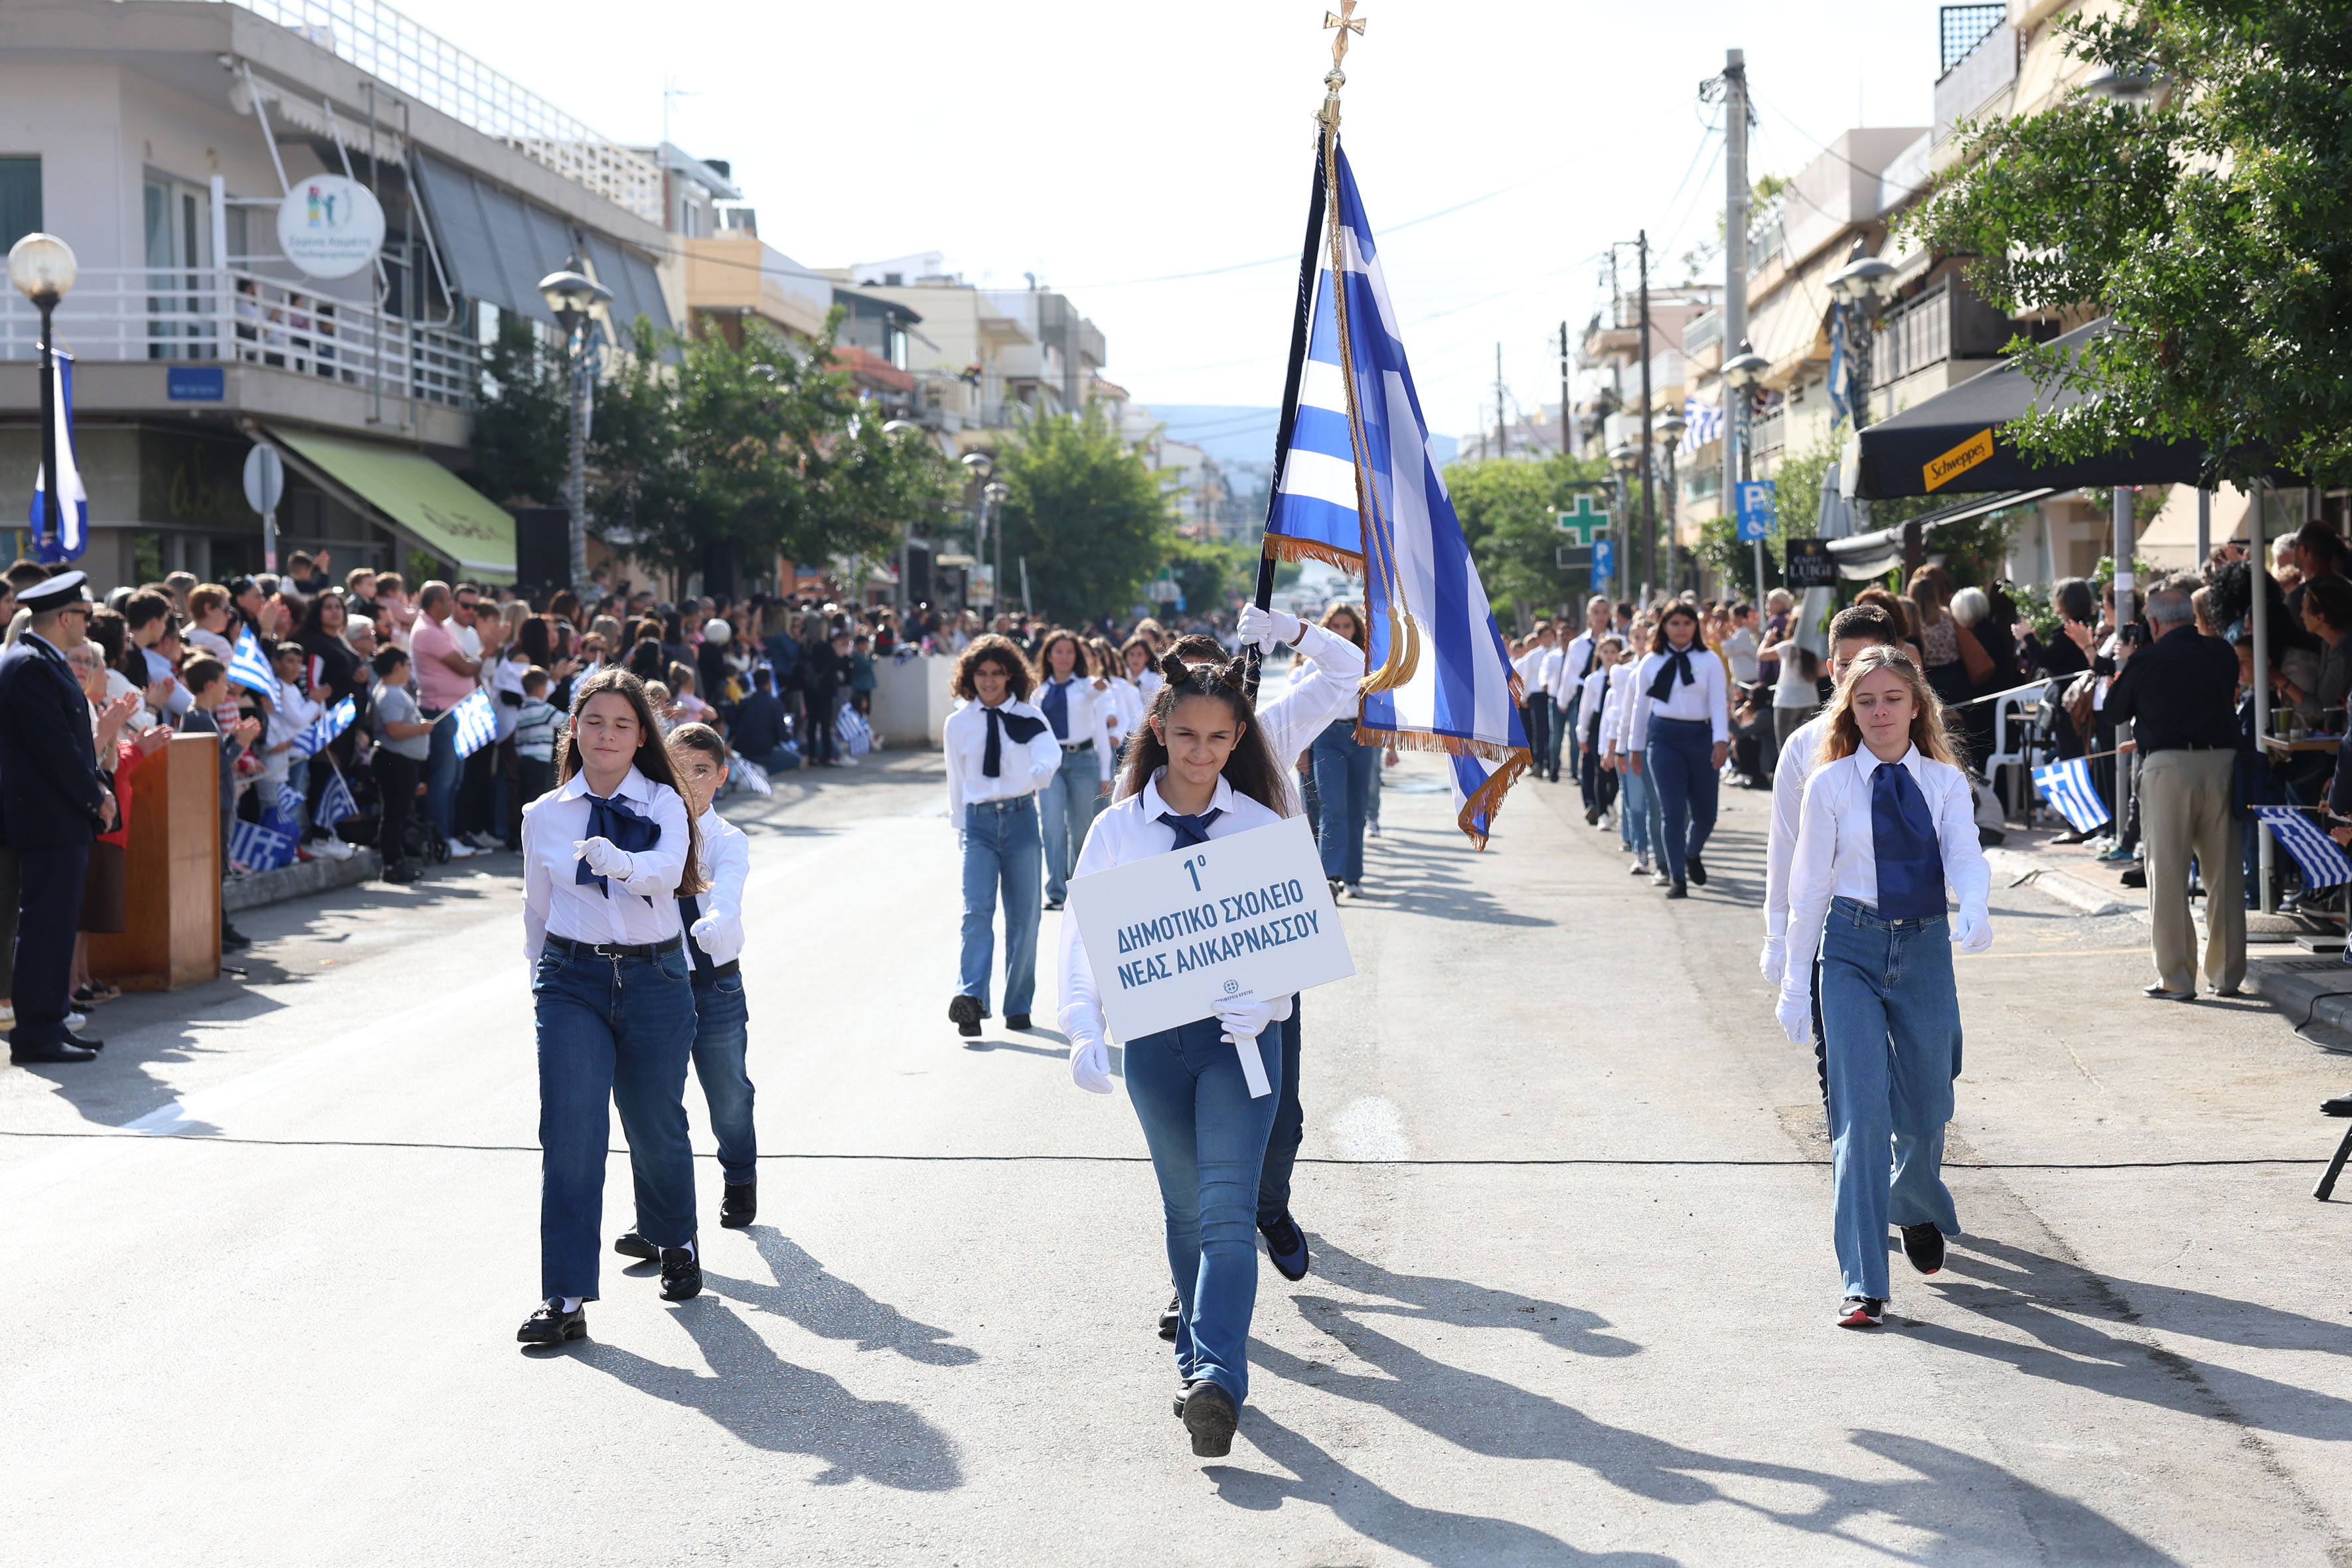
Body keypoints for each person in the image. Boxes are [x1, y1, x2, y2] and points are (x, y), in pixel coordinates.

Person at [1058, 650, 1300, 1458]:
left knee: (1229, 1211)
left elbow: (1291, 953)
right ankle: (1198, 1363)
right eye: (1186, 734)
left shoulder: (1264, 828)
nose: (1200, 753)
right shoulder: (1117, 829)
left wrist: (1266, 999)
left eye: (1217, 739)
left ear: (1238, 740)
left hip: (1241, 1044)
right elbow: (1082, 931)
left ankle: (1218, 1380)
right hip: (1155, 1046)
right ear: (1159, 729)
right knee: (1186, 1208)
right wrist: (1082, 1023)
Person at [1776, 645, 1992, 1327]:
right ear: (1850, 708)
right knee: (1860, 1116)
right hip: (1850, 950)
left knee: (1929, 1108)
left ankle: (1913, 1196)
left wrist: (1977, 902)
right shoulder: (1831, 785)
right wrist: (1792, 978)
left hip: (1925, 946)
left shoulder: (1943, 782)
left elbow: (1963, 850)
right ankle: (1864, 1281)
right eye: (1865, 700)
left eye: (1891, 698)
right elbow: (1808, 885)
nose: (1879, 712)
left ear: (1915, 704)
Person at [516, 668, 706, 1347]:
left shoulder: (662, 803)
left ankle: (674, 1237)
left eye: (622, 724)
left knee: (655, 1122)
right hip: (572, 980)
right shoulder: (544, 815)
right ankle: (563, 1295)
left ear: (640, 736)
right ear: (574, 728)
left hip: (655, 980)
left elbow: (662, 875)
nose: (606, 734)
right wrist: (538, 984)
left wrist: (617, 861)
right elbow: (536, 909)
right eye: (593, 720)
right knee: (570, 1132)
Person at [613, 722, 759, 1249]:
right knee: (654, 1108)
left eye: (700, 771)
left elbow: (728, 892)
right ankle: (659, 1224)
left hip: (714, 982)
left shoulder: (727, 839)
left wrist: (715, 923)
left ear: (720, 776)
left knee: (728, 1097)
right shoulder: (645, 830)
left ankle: (740, 1175)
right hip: (656, 983)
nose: (689, 782)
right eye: (678, 770)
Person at [1759, 605, 1906, 1094]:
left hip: (1907, 924)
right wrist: (1776, 935)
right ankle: (1855, 1162)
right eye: (1845, 664)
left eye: (1870, 660)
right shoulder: (1804, 746)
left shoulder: (1918, 741)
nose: (1856, 675)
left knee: (1913, 1063)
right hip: (1830, 927)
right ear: (1830, 670)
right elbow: (1784, 846)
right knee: (1840, 1065)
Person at [2105, 584, 2245, 1000]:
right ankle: (2227, 974)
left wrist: (2129, 663)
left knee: (2167, 874)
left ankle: (2177, 978)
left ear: (2153, 622)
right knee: (2224, 876)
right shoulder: (2221, 652)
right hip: (2221, 762)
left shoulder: (2147, 658)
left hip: (2168, 767)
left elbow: (2114, 710)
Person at [0, 572, 112, 1061]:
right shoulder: (29, 666)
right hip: (47, 816)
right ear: (65, 618)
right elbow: (56, 751)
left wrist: (96, 789)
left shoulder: (42, 661)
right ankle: (38, 1032)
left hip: (55, 813)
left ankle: (51, 1020)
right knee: (46, 923)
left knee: (56, 923)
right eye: (85, 615)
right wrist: (95, 798)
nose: (89, 622)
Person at [942, 635, 1060, 1037]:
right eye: (981, 674)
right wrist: (959, 827)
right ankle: (970, 999)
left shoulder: (1028, 716)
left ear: (1010, 675)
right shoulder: (958, 724)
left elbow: (1049, 751)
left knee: (1024, 916)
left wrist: (1040, 773)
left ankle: (1018, 1004)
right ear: (969, 677)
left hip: (1021, 819)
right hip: (978, 825)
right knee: (976, 912)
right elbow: (956, 781)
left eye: (996, 674)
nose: (989, 682)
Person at [1627, 601, 1729, 898]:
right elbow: (1640, 707)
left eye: (1687, 623)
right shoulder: (1651, 661)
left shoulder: (1709, 659)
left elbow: (1717, 703)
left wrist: (1721, 740)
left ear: (1695, 626)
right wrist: (1634, 747)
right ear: (1664, 627)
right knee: (1671, 811)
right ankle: (1677, 879)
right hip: (1663, 738)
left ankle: (1691, 852)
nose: (1681, 629)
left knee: (1706, 814)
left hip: (1701, 736)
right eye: (1675, 623)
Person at [177, 653, 262, 943]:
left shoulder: (203, 717)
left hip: (219, 802)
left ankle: (220, 924)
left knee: (220, 865)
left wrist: (232, 740)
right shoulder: (196, 718)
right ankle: (215, 928)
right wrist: (240, 745)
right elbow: (213, 766)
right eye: (224, 683)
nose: (228, 689)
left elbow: (213, 755)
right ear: (211, 685)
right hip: (212, 804)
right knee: (216, 867)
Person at [1035, 628, 1115, 911]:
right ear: (1049, 656)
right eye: (1059, 651)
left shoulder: (1086, 686)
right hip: (1052, 763)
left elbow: (1101, 731)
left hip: (1083, 761)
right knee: (1053, 825)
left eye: (1070, 651)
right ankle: (1055, 891)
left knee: (1081, 828)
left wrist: (1106, 774)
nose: (1064, 657)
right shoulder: (1039, 692)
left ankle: (1079, 887)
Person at [1307, 603, 1377, 898]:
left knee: (1357, 808)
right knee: (1333, 807)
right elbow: (1306, 710)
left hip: (1361, 735)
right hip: (1328, 735)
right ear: (1327, 628)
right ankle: (1330, 875)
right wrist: (1303, 749)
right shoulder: (1315, 662)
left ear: (1356, 628)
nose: (1341, 632)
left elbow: (1381, 703)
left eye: (1347, 626)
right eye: (1335, 626)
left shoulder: (1368, 661)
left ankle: (1353, 877)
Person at [408, 582, 481, 859]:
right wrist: (476, 661)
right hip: (441, 712)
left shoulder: (442, 628)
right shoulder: (427, 631)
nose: (452, 605)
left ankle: (448, 836)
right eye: (449, 599)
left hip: (456, 712)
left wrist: (472, 661)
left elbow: (466, 661)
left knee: (455, 779)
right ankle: (441, 837)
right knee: (444, 779)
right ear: (437, 603)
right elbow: (464, 665)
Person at [368, 647, 433, 885]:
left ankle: (397, 861)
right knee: (394, 815)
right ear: (397, 666)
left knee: (396, 814)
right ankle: (393, 864)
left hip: (398, 759)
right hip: (395, 759)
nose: (409, 670)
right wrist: (421, 728)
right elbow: (394, 729)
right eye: (407, 665)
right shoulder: (391, 694)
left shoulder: (388, 691)